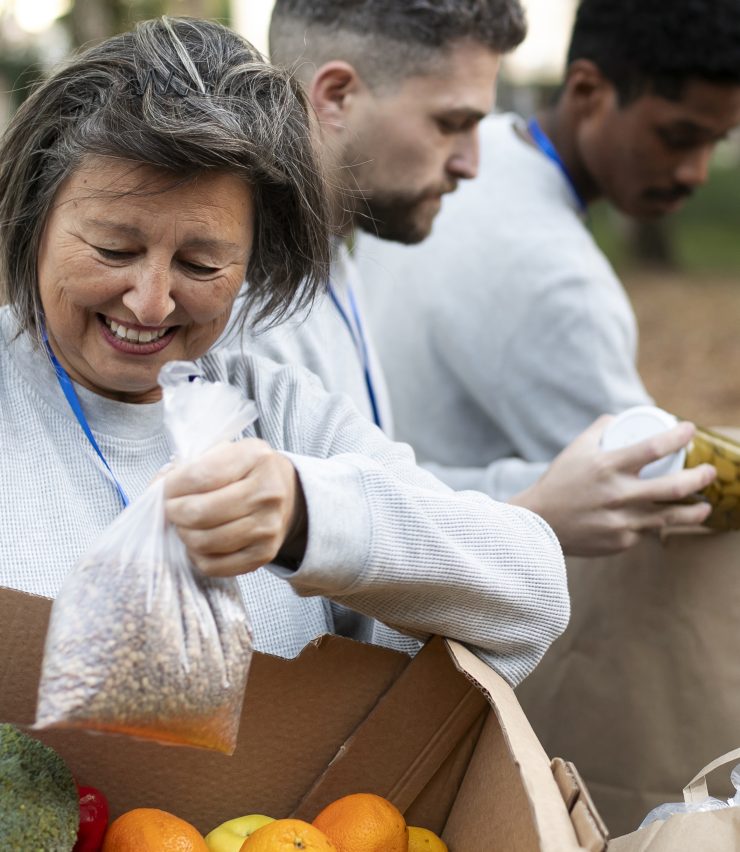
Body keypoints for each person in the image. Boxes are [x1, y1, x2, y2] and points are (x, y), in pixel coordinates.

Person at [0, 16, 571, 687]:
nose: (151, 302)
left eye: (202, 264)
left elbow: (531, 592)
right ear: (35, 220)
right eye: (113, 250)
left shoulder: (275, 413)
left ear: (250, 263)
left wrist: (307, 517)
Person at [237, 0, 716, 556]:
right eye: (452, 124)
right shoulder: (235, 296)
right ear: (337, 95)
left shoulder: (329, 255)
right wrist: (530, 517)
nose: (471, 163)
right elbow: (287, 566)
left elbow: (365, 488)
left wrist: (536, 498)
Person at [356, 0, 740, 504]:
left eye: (717, 141)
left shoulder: (459, 156)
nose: (697, 171)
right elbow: (656, 478)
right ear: (587, 91)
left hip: (379, 494)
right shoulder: (558, 276)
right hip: (446, 554)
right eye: (678, 137)